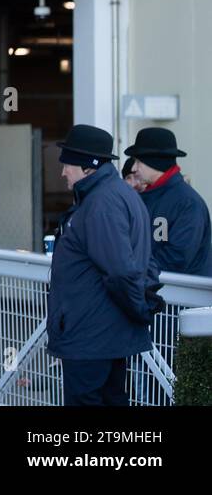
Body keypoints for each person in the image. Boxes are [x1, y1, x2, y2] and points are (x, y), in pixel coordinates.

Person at [46, 124, 161, 406]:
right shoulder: (118, 195)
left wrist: (139, 308)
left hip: (91, 338)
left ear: (88, 167)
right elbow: (143, 262)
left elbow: (119, 271)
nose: (63, 172)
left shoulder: (101, 203)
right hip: (105, 334)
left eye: (67, 165)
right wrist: (139, 306)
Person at [126, 127, 212, 277]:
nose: (133, 168)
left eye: (139, 162)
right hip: (151, 284)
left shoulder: (188, 203)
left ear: (155, 162)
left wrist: (134, 270)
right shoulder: (143, 196)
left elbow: (177, 258)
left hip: (182, 290)